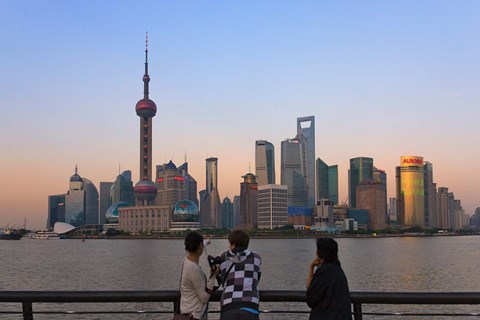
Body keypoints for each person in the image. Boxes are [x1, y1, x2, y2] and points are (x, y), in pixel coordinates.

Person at [219, 229, 262, 320]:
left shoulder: (224, 257)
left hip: (228, 306)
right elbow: (256, 279)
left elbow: (223, 281)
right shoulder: (256, 257)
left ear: (233, 244)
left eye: (229, 243)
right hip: (250, 306)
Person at [306, 237, 352, 320]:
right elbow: (311, 287)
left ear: (320, 253)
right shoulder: (337, 269)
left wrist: (312, 267)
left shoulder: (324, 271)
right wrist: (311, 267)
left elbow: (311, 298)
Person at [179, 231, 219, 320]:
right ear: (200, 246)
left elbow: (199, 246)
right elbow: (204, 298)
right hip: (195, 315)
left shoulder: (185, 261)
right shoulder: (193, 269)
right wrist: (213, 276)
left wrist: (206, 242)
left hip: (187, 312)